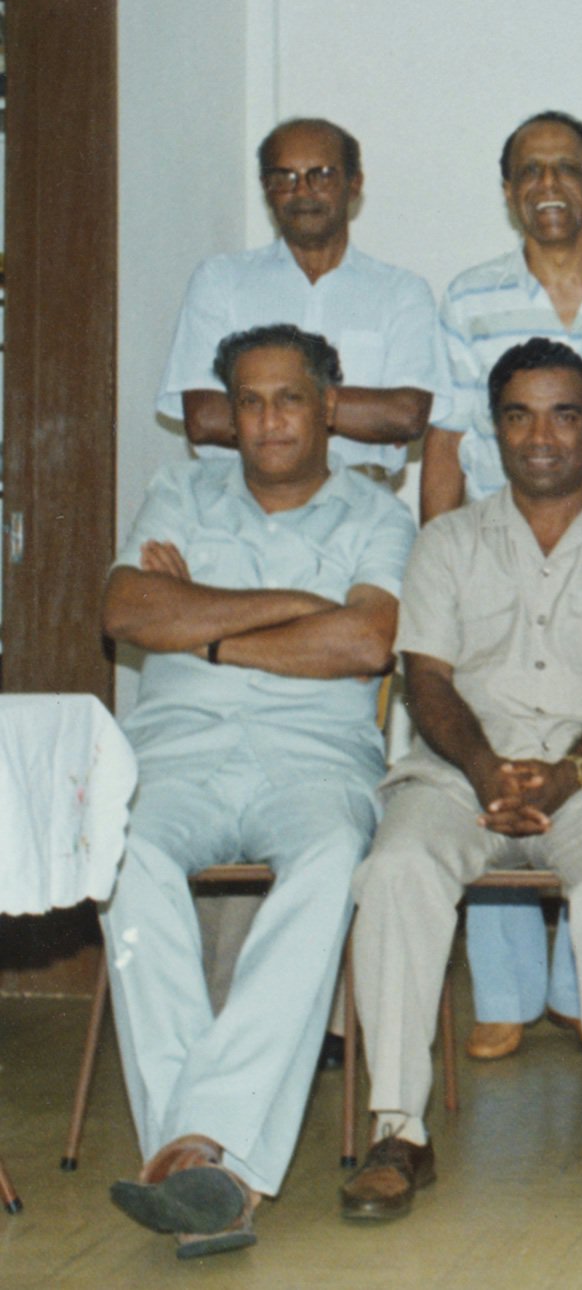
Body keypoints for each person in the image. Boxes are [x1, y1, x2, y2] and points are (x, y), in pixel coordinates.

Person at [341, 338, 582, 1220]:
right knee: (397, 867)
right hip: (462, 769)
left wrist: (567, 776)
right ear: (493, 431)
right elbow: (427, 681)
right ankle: (397, 1133)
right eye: (519, 415)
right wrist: (488, 769)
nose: (542, 436)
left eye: (564, 415)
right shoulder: (447, 542)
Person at [100, 325, 413, 1259]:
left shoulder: (375, 514)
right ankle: (215, 1162)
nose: (268, 418)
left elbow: (364, 645)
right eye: (247, 400)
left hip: (312, 755)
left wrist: (199, 624)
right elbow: (124, 611)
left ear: (328, 408)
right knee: (124, 854)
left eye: (288, 398)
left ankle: (194, 1144)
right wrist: (299, 605)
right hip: (177, 752)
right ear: (227, 417)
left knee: (327, 861)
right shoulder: (178, 490)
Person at [425, 111, 582, 1067]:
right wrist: (432, 558)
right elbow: (445, 445)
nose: (548, 184)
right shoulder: (470, 295)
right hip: (488, 559)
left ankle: (578, 987)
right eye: (529, 170)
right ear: (508, 185)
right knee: (490, 736)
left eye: (567, 169)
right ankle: (508, 991)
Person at [158, 118, 443, 480]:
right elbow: (203, 418)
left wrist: (255, 407)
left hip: (357, 506)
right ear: (266, 188)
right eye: (285, 178)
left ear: (354, 184)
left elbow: (406, 415)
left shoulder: (400, 291)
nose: (303, 192)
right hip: (239, 505)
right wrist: (353, 413)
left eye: (321, 175)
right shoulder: (221, 281)